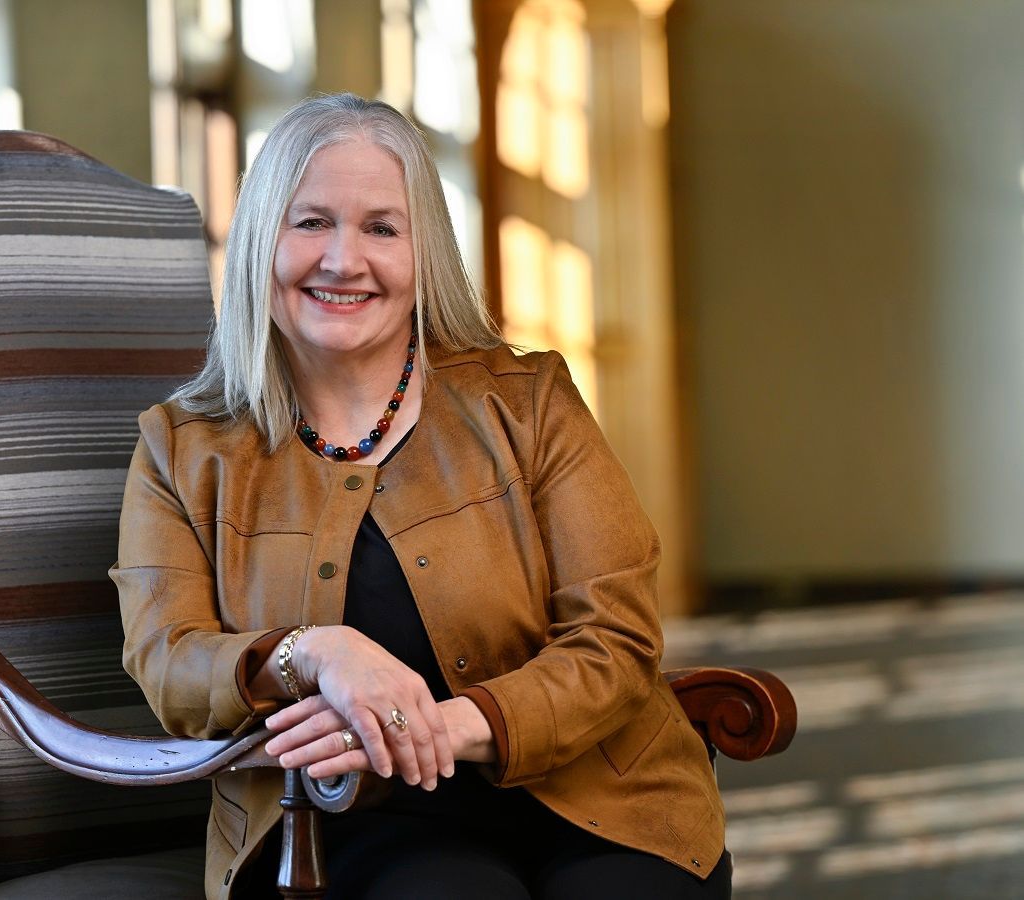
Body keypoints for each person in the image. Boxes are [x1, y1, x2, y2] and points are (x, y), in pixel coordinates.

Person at [111, 92, 729, 900]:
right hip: (345, 821)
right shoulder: (181, 448)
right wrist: (315, 653)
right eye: (311, 222)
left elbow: (615, 635)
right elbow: (168, 663)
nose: (343, 261)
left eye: (381, 228)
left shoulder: (529, 401)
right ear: (263, 237)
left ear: (423, 251)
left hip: (603, 796)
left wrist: (436, 727)